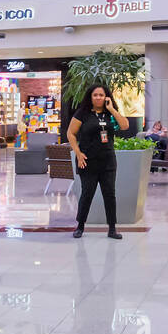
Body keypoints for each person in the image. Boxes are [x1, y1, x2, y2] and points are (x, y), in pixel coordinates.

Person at [66, 84, 129, 240]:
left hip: (108, 160)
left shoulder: (110, 114)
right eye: (95, 95)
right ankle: (80, 226)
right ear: (90, 97)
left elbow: (125, 125)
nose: (98, 98)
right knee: (87, 194)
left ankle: (112, 229)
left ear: (106, 97)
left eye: (101, 95)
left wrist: (112, 109)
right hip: (87, 160)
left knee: (110, 195)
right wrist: (78, 154)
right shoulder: (83, 113)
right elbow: (71, 134)